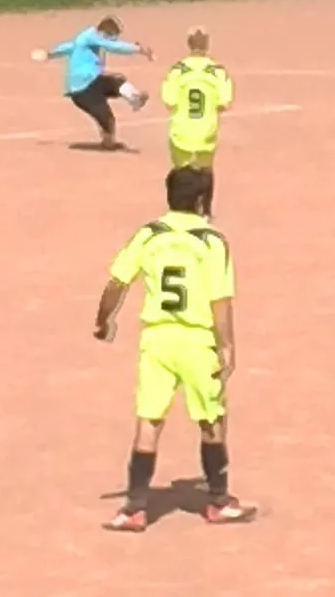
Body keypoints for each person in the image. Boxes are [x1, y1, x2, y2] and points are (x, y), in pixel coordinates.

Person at [94, 166, 251, 532]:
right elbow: (220, 301)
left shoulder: (150, 235)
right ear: (201, 200)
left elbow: (117, 282)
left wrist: (104, 319)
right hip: (197, 341)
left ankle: (134, 507)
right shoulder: (211, 242)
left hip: (157, 340)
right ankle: (217, 500)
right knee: (211, 420)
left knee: (149, 421)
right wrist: (227, 346)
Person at [32, 15, 154, 151]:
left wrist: (50, 54)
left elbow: (68, 47)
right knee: (107, 118)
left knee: (117, 81)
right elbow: (114, 47)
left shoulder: (85, 38)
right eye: (112, 36)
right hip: (82, 90)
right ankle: (108, 141)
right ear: (104, 33)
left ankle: (135, 99)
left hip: (92, 82)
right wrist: (139, 49)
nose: (113, 40)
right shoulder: (91, 37)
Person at [160, 30, 235, 209]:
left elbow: (169, 101)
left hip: (181, 129)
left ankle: (178, 207)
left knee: (180, 170)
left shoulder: (177, 70)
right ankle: (206, 209)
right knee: (206, 169)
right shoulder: (217, 71)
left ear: (189, 44)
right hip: (206, 129)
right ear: (207, 45)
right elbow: (224, 103)